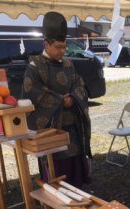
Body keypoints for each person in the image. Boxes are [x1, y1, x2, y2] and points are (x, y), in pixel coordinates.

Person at [22, 11, 92, 188]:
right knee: (54, 171)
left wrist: (74, 98)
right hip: (49, 130)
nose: (63, 51)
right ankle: (56, 201)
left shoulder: (69, 64)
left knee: (74, 169)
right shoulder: (35, 65)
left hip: (72, 129)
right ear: (47, 44)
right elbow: (32, 91)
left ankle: (76, 197)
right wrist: (61, 100)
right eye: (58, 47)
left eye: (64, 47)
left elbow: (80, 85)